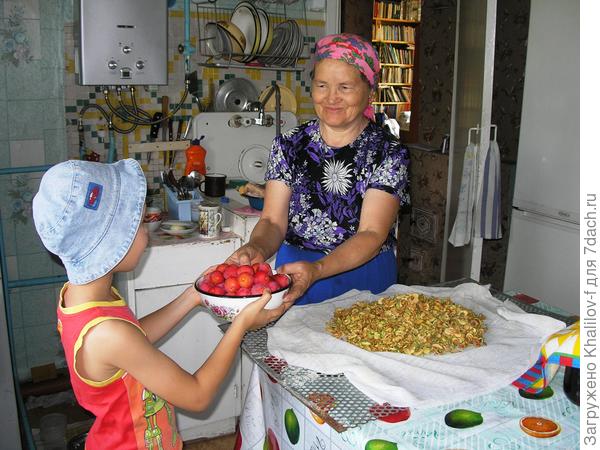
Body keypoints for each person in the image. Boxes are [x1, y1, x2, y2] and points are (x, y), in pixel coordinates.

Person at [32, 159, 284, 450]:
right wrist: (239, 326)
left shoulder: (81, 298)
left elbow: (133, 336)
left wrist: (192, 296)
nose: (146, 234)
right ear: (113, 244)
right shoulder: (107, 333)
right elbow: (197, 396)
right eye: (140, 224)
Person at [225, 33, 410, 306]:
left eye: (345, 87)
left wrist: (319, 269)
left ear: (371, 90)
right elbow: (272, 222)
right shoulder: (289, 145)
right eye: (322, 85)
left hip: (364, 279)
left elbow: (371, 233)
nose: (331, 98)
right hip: (296, 274)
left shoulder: (389, 153)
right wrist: (257, 247)